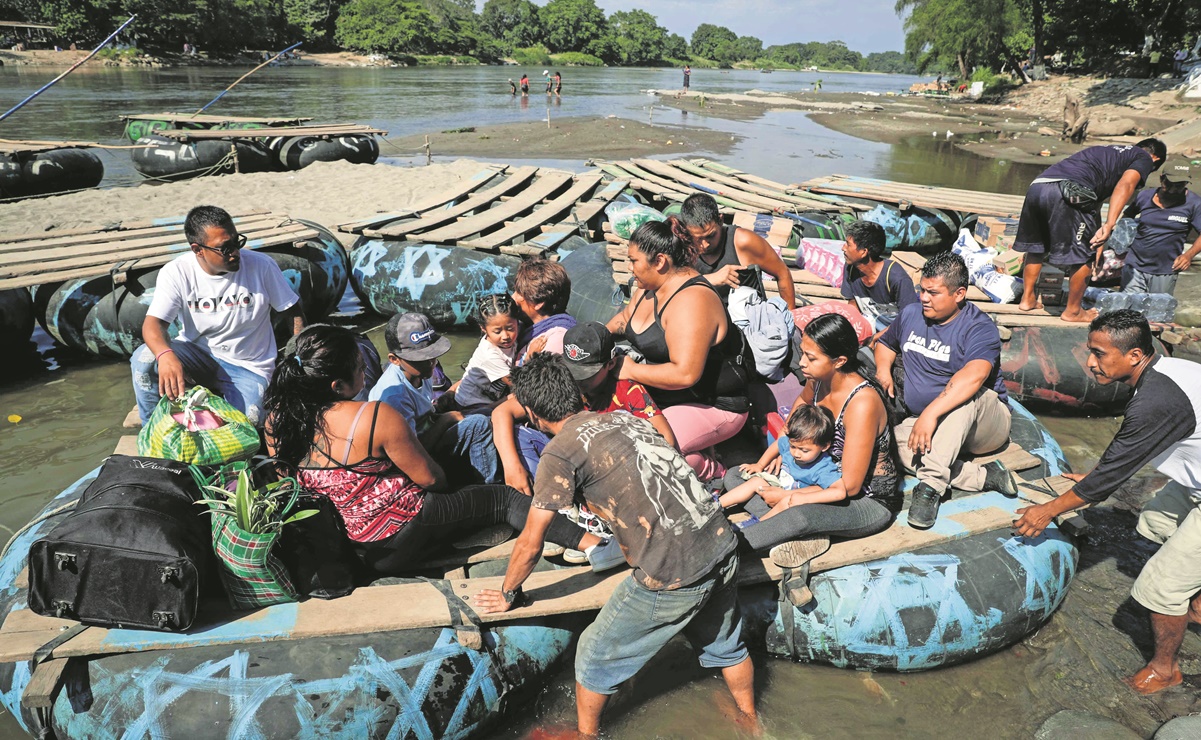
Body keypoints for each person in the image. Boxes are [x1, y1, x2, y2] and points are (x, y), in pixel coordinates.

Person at [473, 353, 756, 736]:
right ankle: (749, 720)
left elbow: (531, 540)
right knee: (726, 645)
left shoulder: (559, 452)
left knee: (592, 653)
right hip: (721, 543)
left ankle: (587, 734)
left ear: (533, 414)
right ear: (576, 394)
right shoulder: (622, 418)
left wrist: (509, 591)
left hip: (673, 573)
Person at [263, 325, 618, 576]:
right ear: (337, 385)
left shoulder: (276, 422)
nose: (365, 374)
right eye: (359, 369)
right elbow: (432, 479)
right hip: (399, 537)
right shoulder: (372, 417)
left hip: (354, 544)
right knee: (504, 499)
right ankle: (595, 546)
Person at [1015, 310, 1201, 695]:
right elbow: (1129, 447)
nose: (1089, 362)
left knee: (1159, 587)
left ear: (1134, 355)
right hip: (1194, 482)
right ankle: (1196, 590)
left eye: (1099, 354)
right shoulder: (1163, 372)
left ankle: (1166, 669)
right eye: (1089, 351)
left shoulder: (1156, 399)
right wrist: (1102, 471)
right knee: (1154, 522)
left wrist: (1047, 510)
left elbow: (1108, 478)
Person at [732, 314, 899, 575]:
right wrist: (789, 452)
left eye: (811, 357)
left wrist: (788, 497)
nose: (801, 363)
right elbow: (794, 418)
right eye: (803, 354)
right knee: (738, 474)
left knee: (799, 516)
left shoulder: (862, 403)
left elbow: (851, 487)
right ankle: (790, 528)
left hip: (864, 502)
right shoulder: (818, 379)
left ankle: (729, 546)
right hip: (813, 478)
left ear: (840, 361)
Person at [875, 252, 1019, 529]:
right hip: (932, 424)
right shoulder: (910, 314)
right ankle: (982, 477)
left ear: (959, 294)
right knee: (884, 445)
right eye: (922, 290)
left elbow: (973, 376)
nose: (924, 298)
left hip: (983, 424)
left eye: (933, 292)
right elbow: (886, 343)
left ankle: (930, 487)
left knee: (964, 395)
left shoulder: (979, 327)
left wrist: (930, 414)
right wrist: (883, 370)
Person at [131, 205, 303, 424]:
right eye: (224, 248)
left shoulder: (262, 266)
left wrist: (295, 357)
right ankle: (153, 430)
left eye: (236, 243)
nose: (235, 253)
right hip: (198, 356)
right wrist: (166, 356)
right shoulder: (176, 272)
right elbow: (153, 325)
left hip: (249, 366)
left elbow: (293, 311)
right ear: (197, 249)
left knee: (250, 420)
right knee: (144, 358)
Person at [608, 220, 750, 481]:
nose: (630, 268)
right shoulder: (647, 289)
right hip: (669, 398)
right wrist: (597, 338)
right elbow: (624, 320)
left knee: (649, 453)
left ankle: (711, 469)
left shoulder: (691, 301)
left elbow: (686, 374)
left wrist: (630, 370)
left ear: (660, 261)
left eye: (634, 261)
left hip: (714, 404)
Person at [490, 321, 676, 496]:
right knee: (519, 435)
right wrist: (512, 465)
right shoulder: (562, 380)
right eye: (572, 370)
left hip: (613, 468)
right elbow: (502, 412)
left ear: (610, 364)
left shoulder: (627, 389)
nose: (577, 380)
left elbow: (665, 437)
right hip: (568, 458)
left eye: (586, 374)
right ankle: (547, 500)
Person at [1013, 139, 1166, 322]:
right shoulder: (1143, 157)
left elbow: (1093, 202)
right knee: (1084, 256)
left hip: (1038, 186)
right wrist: (1110, 224)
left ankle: (1027, 299)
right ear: (1155, 159)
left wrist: (1098, 234)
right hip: (1070, 192)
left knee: (1038, 246)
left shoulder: (1105, 151)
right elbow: (1126, 185)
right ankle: (1073, 312)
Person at [675, 193, 797, 309]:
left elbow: (782, 273)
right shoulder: (682, 246)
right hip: (707, 318)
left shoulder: (744, 241)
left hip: (749, 323)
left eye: (711, 236)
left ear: (720, 221)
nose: (705, 244)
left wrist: (790, 318)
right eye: (697, 239)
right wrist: (710, 279)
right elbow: (669, 286)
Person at [718, 404, 840, 512]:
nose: (796, 453)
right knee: (754, 481)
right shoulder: (790, 444)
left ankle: (759, 526)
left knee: (785, 505)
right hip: (777, 488)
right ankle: (715, 506)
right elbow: (778, 443)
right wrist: (760, 465)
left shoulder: (823, 467)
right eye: (793, 446)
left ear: (824, 446)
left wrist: (794, 496)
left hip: (794, 502)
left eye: (804, 450)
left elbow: (838, 492)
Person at [368, 312, 459, 447]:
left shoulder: (421, 372)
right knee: (477, 425)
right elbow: (411, 450)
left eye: (432, 354)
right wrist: (447, 419)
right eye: (420, 358)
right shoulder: (395, 398)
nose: (430, 363)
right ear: (395, 359)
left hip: (423, 428)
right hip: (412, 450)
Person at [1121, 167, 1201, 296]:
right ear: (1161, 179)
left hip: (1166, 269)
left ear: (1186, 184)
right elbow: (1126, 219)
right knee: (1129, 312)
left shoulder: (1194, 204)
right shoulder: (1144, 196)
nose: (1174, 189)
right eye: (1169, 184)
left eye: (1179, 185)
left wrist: (1188, 255)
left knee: (1156, 313)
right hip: (1134, 265)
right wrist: (1120, 248)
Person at [840, 219, 918, 338]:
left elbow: (909, 321)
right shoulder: (850, 269)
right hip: (870, 331)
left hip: (898, 335)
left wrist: (876, 338)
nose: (843, 248)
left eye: (848, 244)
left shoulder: (896, 278)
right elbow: (852, 306)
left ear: (863, 252)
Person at [444, 294, 519, 410]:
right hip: (470, 403)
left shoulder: (509, 339)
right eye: (497, 331)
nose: (505, 336)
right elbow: (518, 385)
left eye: (510, 328)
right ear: (483, 329)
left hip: (489, 397)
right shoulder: (490, 354)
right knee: (518, 397)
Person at [512, 256, 575, 360]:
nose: (513, 297)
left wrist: (529, 358)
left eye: (519, 293)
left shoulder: (555, 340)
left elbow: (536, 376)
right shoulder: (527, 326)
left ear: (539, 303)